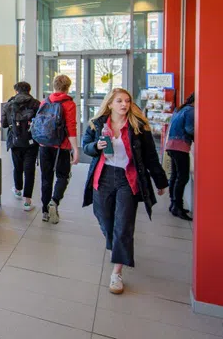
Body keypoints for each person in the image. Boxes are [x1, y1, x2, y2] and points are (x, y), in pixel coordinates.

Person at [82, 88, 168, 295]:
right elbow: (86, 146)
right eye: (119, 101)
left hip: (127, 180)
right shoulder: (97, 124)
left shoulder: (138, 127)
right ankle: (118, 245)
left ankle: (117, 272)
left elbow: (150, 157)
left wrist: (160, 181)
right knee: (103, 218)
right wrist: (96, 146)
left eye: (127, 101)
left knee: (124, 224)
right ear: (110, 104)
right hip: (102, 177)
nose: (124, 105)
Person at [38, 74, 80, 224]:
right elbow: (71, 128)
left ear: (54, 86)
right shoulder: (69, 104)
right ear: (67, 88)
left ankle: (44, 211)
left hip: (44, 145)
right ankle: (54, 202)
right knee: (63, 176)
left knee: (46, 177)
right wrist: (75, 149)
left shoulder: (44, 102)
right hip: (61, 147)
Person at [1, 82, 40, 212]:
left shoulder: (9, 104)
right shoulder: (36, 104)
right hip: (32, 141)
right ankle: (27, 201)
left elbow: (4, 124)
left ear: (16, 91)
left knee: (17, 166)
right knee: (29, 170)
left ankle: (18, 190)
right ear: (29, 90)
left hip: (15, 141)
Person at [166, 93, 194, 221]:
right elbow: (190, 129)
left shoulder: (179, 109)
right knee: (182, 177)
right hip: (181, 146)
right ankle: (178, 206)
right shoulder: (190, 111)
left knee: (175, 176)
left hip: (171, 145)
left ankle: (173, 204)